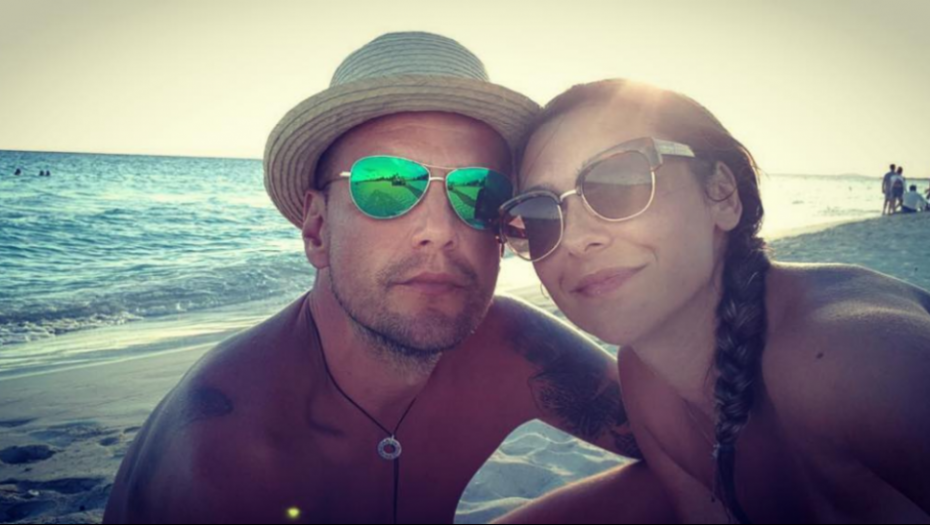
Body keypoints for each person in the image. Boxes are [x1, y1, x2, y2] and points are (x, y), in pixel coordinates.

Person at [103, 34, 646, 524]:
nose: (439, 232)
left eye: (479, 193)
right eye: (386, 185)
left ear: (503, 229)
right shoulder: (234, 465)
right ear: (318, 229)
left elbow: (681, 447)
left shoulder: (509, 345)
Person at [496, 79, 930, 523]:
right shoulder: (645, 379)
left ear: (721, 193)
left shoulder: (855, 361)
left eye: (619, 181)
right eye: (538, 215)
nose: (575, 239)